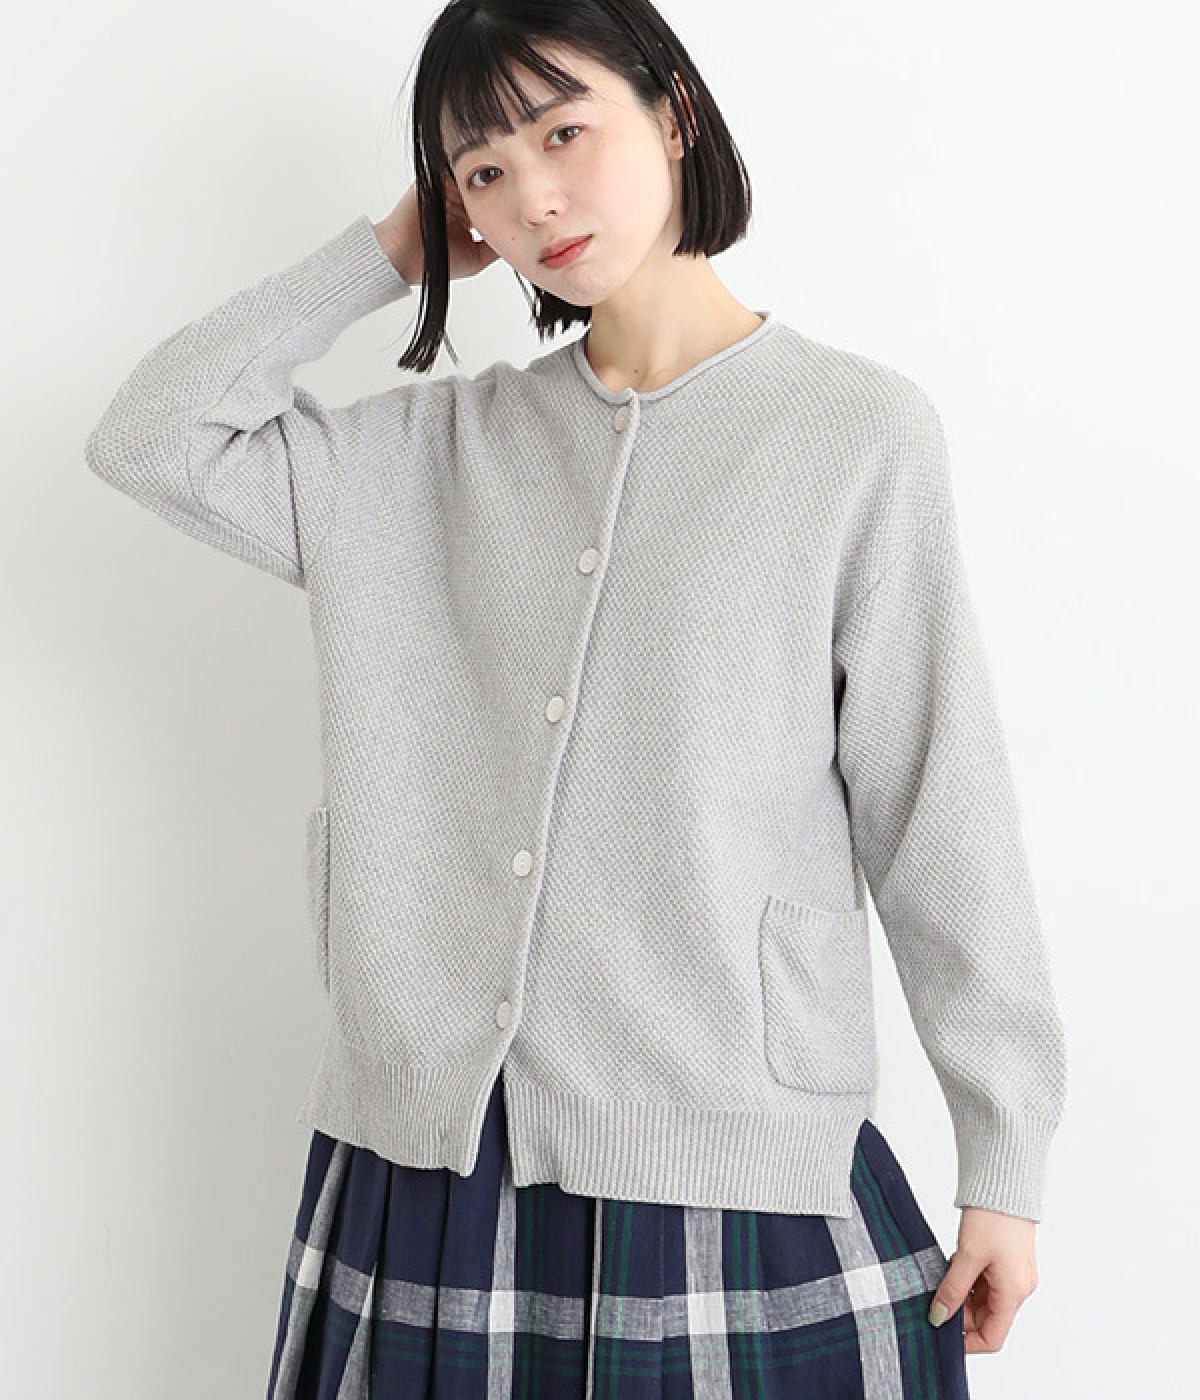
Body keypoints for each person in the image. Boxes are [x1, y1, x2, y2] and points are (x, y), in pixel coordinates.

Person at [84, 1, 1068, 1395]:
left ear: (673, 114)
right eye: (481, 169)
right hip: (440, 1153)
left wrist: (1003, 1155)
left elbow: (936, 807)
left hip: (732, 1146)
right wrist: (387, 256)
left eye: (563, 133)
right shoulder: (421, 456)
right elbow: (151, 437)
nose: (532, 197)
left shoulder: (852, 431)